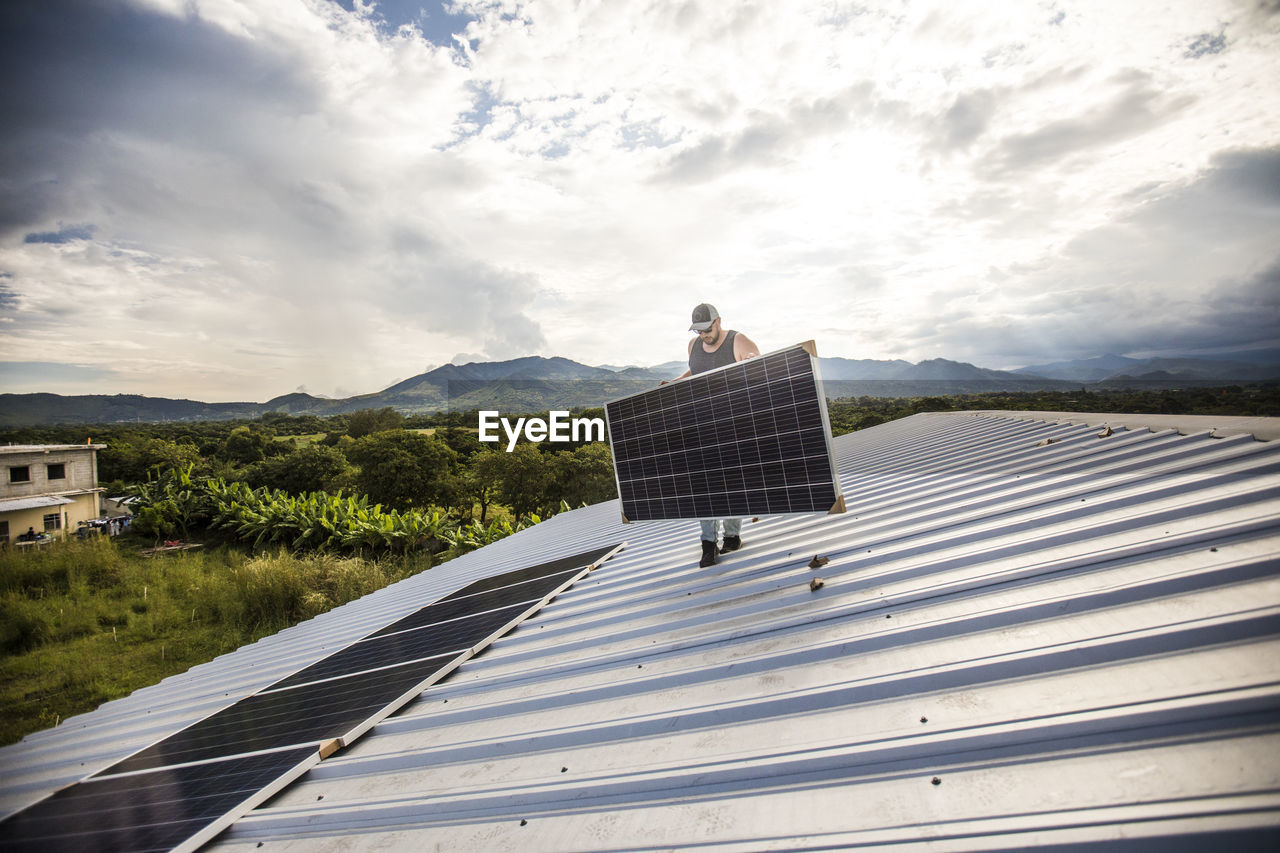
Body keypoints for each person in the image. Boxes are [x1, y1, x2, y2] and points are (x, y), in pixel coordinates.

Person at [669, 303, 760, 567]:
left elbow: (756, 362)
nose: (704, 336)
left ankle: (732, 536)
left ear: (718, 322)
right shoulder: (693, 346)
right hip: (703, 426)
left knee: (733, 482)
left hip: (735, 426)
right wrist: (677, 382)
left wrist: (753, 361)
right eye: (698, 331)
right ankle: (708, 544)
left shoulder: (738, 341)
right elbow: (695, 372)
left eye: (707, 330)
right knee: (705, 486)